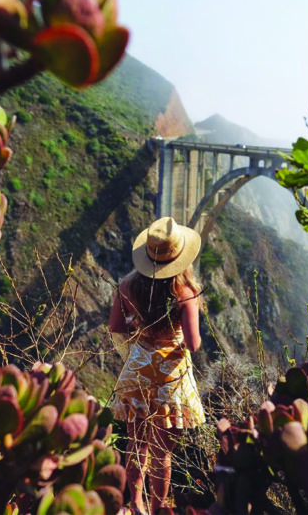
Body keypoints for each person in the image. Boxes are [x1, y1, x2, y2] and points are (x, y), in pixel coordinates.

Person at [109, 216, 205, 514]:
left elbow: (115, 327)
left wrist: (139, 346)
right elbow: (192, 344)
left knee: (136, 445)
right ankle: (159, 507)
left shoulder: (126, 286)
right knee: (162, 452)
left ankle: (135, 504)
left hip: (137, 373)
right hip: (170, 380)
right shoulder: (185, 294)